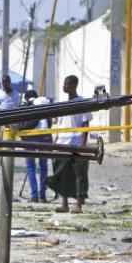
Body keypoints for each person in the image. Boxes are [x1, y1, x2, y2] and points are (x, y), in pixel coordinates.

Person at [46, 75, 91, 213]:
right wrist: (55, 143)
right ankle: (64, 204)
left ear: (73, 86)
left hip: (76, 143)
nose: (64, 86)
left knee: (79, 174)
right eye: (63, 84)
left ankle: (78, 205)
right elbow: (60, 125)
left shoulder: (82, 103)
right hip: (62, 143)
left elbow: (85, 124)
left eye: (66, 84)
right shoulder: (63, 104)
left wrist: (83, 145)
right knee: (62, 174)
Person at [19, 89, 52, 203]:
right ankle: (42, 195)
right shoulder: (44, 101)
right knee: (43, 166)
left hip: (30, 136)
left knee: (30, 167)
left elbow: (21, 123)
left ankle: (34, 196)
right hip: (45, 136)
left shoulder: (26, 105)